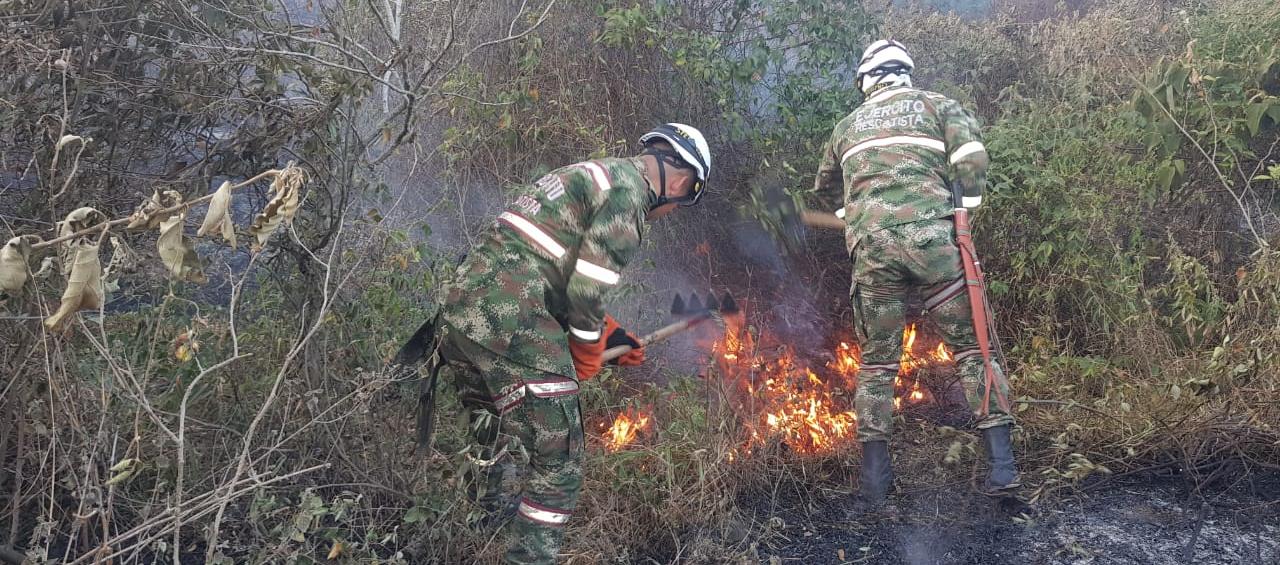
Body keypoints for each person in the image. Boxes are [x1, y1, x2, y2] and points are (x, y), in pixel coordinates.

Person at [433, 124, 712, 563]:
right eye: (685, 199)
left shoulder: (596, 174)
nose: (672, 210)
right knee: (559, 462)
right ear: (682, 181)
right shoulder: (629, 195)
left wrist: (610, 334)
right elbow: (586, 291)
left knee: (493, 433)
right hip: (511, 318)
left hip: (461, 317)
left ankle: (480, 533)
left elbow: (548, 262)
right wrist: (586, 352)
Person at [813, 40, 1019, 506]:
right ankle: (1003, 470)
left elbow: (826, 187)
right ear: (905, 72)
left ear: (865, 81)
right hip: (935, 247)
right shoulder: (939, 105)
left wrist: (856, 214)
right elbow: (972, 159)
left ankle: (874, 484)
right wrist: (963, 212)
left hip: (873, 252)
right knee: (973, 350)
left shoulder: (846, 127)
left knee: (878, 365)